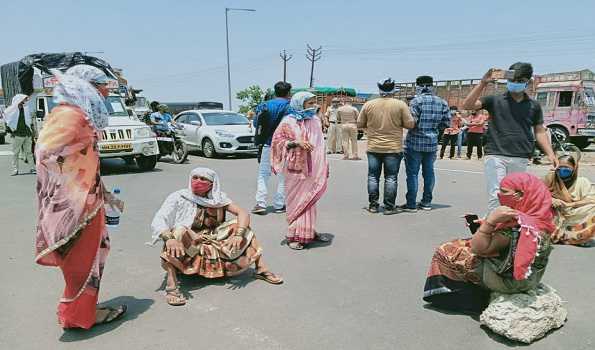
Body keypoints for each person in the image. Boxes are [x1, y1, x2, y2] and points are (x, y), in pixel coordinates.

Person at [35, 65, 126, 329]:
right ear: (85, 87)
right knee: (81, 259)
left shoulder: (74, 115)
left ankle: (82, 308)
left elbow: (84, 160)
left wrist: (104, 193)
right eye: (102, 85)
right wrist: (75, 190)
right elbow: (46, 155)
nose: (107, 91)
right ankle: (76, 315)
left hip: (87, 201)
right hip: (75, 207)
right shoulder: (69, 116)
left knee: (91, 256)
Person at [423, 173, 555, 314]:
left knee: (446, 251)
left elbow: (478, 248)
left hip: (508, 282)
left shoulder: (515, 227)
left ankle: (468, 298)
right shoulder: (539, 217)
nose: (499, 194)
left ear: (520, 195)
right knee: (462, 244)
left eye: (504, 192)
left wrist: (490, 222)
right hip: (531, 277)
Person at [150, 167, 283, 306]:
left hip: (215, 239)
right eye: (195, 177)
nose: (198, 181)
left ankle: (261, 269)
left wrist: (238, 235)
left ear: (212, 184)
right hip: (192, 245)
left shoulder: (219, 199)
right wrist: (169, 237)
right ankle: (172, 287)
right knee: (177, 232)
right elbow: (160, 219)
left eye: (203, 179)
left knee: (243, 228)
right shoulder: (179, 196)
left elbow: (243, 213)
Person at [462, 63, 558, 214]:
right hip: (496, 154)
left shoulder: (534, 106)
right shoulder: (494, 100)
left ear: (528, 81)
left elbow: (539, 131)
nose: (516, 83)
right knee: (497, 194)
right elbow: (468, 105)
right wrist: (483, 83)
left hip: (520, 155)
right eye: (513, 79)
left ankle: (510, 229)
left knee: (516, 195)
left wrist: (550, 154)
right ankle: (494, 229)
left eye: (520, 80)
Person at [271, 91, 330, 250]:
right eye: (309, 103)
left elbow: (320, 145)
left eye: (314, 103)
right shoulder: (288, 121)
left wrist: (324, 164)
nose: (313, 106)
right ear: (299, 103)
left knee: (309, 200)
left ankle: (308, 231)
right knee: (297, 201)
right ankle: (294, 236)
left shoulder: (315, 120)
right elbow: (277, 142)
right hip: (296, 170)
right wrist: (296, 143)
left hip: (314, 168)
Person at [358, 78, 415, 214]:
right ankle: (389, 207)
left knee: (373, 177)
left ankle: (373, 206)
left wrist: (371, 127)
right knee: (391, 177)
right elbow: (410, 124)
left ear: (379, 90)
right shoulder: (400, 105)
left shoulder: (369, 104)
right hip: (393, 147)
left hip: (373, 146)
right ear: (393, 90)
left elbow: (360, 124)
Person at [402, 75, 450, 212]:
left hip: (414, 143)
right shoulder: (442, 102)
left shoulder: (416, 102)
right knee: (429, 173)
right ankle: (426, 202)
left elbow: (411, 123)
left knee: (412, 174)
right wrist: (433, 130)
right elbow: (446, 123)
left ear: (418, 86)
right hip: (432, 143)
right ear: (431, 86)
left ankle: (411, 204)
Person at [251, 81, 292, 215]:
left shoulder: (264, 105)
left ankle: (260, 203)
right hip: (283, 145)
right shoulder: (289, 107)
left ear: (275, 91)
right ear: (288, 93)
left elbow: (256, 123)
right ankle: (279, 205)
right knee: (283, 176)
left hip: (267, 144)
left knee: (263, 174)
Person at [544, 155, 595, 246]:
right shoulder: (550, 178)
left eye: (566, 168)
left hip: (574, 214)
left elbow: (591, 199)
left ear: (574, 168)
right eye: (560, 167)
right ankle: (555, 235)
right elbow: (538, 194)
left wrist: (569, 205)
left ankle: (577, 237)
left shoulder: (582, 182)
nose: (563, 170)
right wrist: (551, 199)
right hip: (555, 215)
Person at [4, 94, 36, 175]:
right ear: (18, 101)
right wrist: (11, 131)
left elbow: (29, 122)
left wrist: (32, 132)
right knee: (15, 153)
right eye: (23, 101)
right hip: (17, 135)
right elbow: (7, 121)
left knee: (29, 152)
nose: (24, 102)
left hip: (27, 134)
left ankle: (32, 168)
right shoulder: (11, 110)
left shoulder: (26, 109)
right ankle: (15, 169)